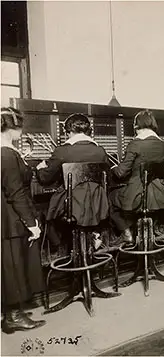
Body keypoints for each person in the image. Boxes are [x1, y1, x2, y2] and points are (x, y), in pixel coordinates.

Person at [1, 107, 46, 333]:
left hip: (6, 218)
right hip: (10, 220)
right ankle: (13, 317)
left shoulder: (7, 152)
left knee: (10, 266)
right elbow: (16, 193)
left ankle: (13, 312)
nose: (22, 132)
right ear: (12, 128)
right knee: (13, 267)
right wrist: (32, 224)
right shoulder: (6, 154)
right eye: (20, 127)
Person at [37, 113, 110, 246]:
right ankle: (93, 236)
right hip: (97, 203)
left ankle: (60, 248)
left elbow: (45, 178)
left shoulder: (62, 151)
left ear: (69, 132)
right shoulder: (100, 151)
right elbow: (107, 177)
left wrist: (40, 168)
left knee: (45, 213)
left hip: (73, 205)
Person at [110, 110, 164, 242]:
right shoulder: (161, 144)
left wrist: (113, 167)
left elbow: (121, 172)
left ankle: (126, 231)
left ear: (137, 126)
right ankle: (153, 228)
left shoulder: (135, 143)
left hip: (138, 194)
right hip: (158, 194)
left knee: (111, 198)